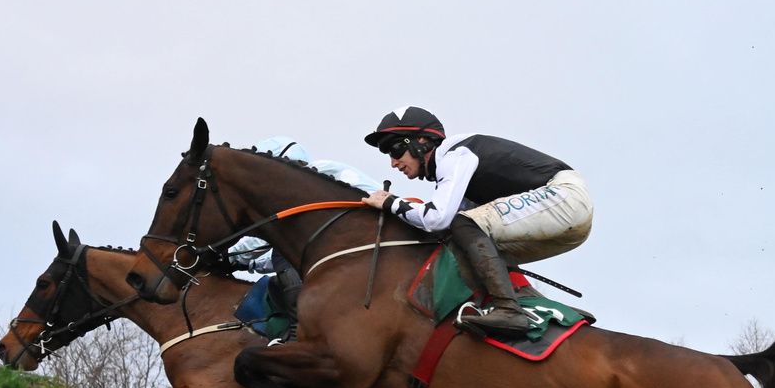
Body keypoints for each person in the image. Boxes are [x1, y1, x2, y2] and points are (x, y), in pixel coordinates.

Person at [361, 106, 594, 334]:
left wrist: (390, 202)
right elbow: (441, 227)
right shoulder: (456, 171)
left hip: (564, 197)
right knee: (467, 242)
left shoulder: (455, 154)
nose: (393, 163)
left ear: (421, 141)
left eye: (394, 151)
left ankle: (508, 309)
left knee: (464, 225)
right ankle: (545, 308)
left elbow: (436, 219)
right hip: (567, 209)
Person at [227, 137, 384, 342]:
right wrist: (251, 263)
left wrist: (230, 256)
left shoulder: (318, 173)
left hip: (366, 242)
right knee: (276, 279)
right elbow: (284, 246)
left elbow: (274, 234)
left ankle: (298, 334)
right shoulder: (313, 181)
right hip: (355, 241)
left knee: (283, 256)